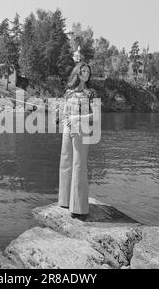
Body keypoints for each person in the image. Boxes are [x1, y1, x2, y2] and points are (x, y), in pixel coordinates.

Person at [58, 61, 98, 218]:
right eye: (82, 71)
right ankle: (64, 201)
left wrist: (76, 118)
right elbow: (64, 112)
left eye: (87, 71)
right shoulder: (68, 92)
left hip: (82, 129)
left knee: (79, 165)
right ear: (77, 73)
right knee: (66, 163)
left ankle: (79, 208)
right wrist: (65, 120)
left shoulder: (92, 93)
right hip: (68, 129)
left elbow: (95, 115)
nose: (85, 74)